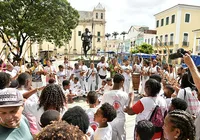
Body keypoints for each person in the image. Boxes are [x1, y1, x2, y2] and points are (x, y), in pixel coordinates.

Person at [101, 74, 128, 140]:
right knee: (122, 138)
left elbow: (102, 108)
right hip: (120, 120)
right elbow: (126, 109)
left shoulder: (106, 94)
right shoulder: (125, 94)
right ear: (122, 82)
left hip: (110, 121)